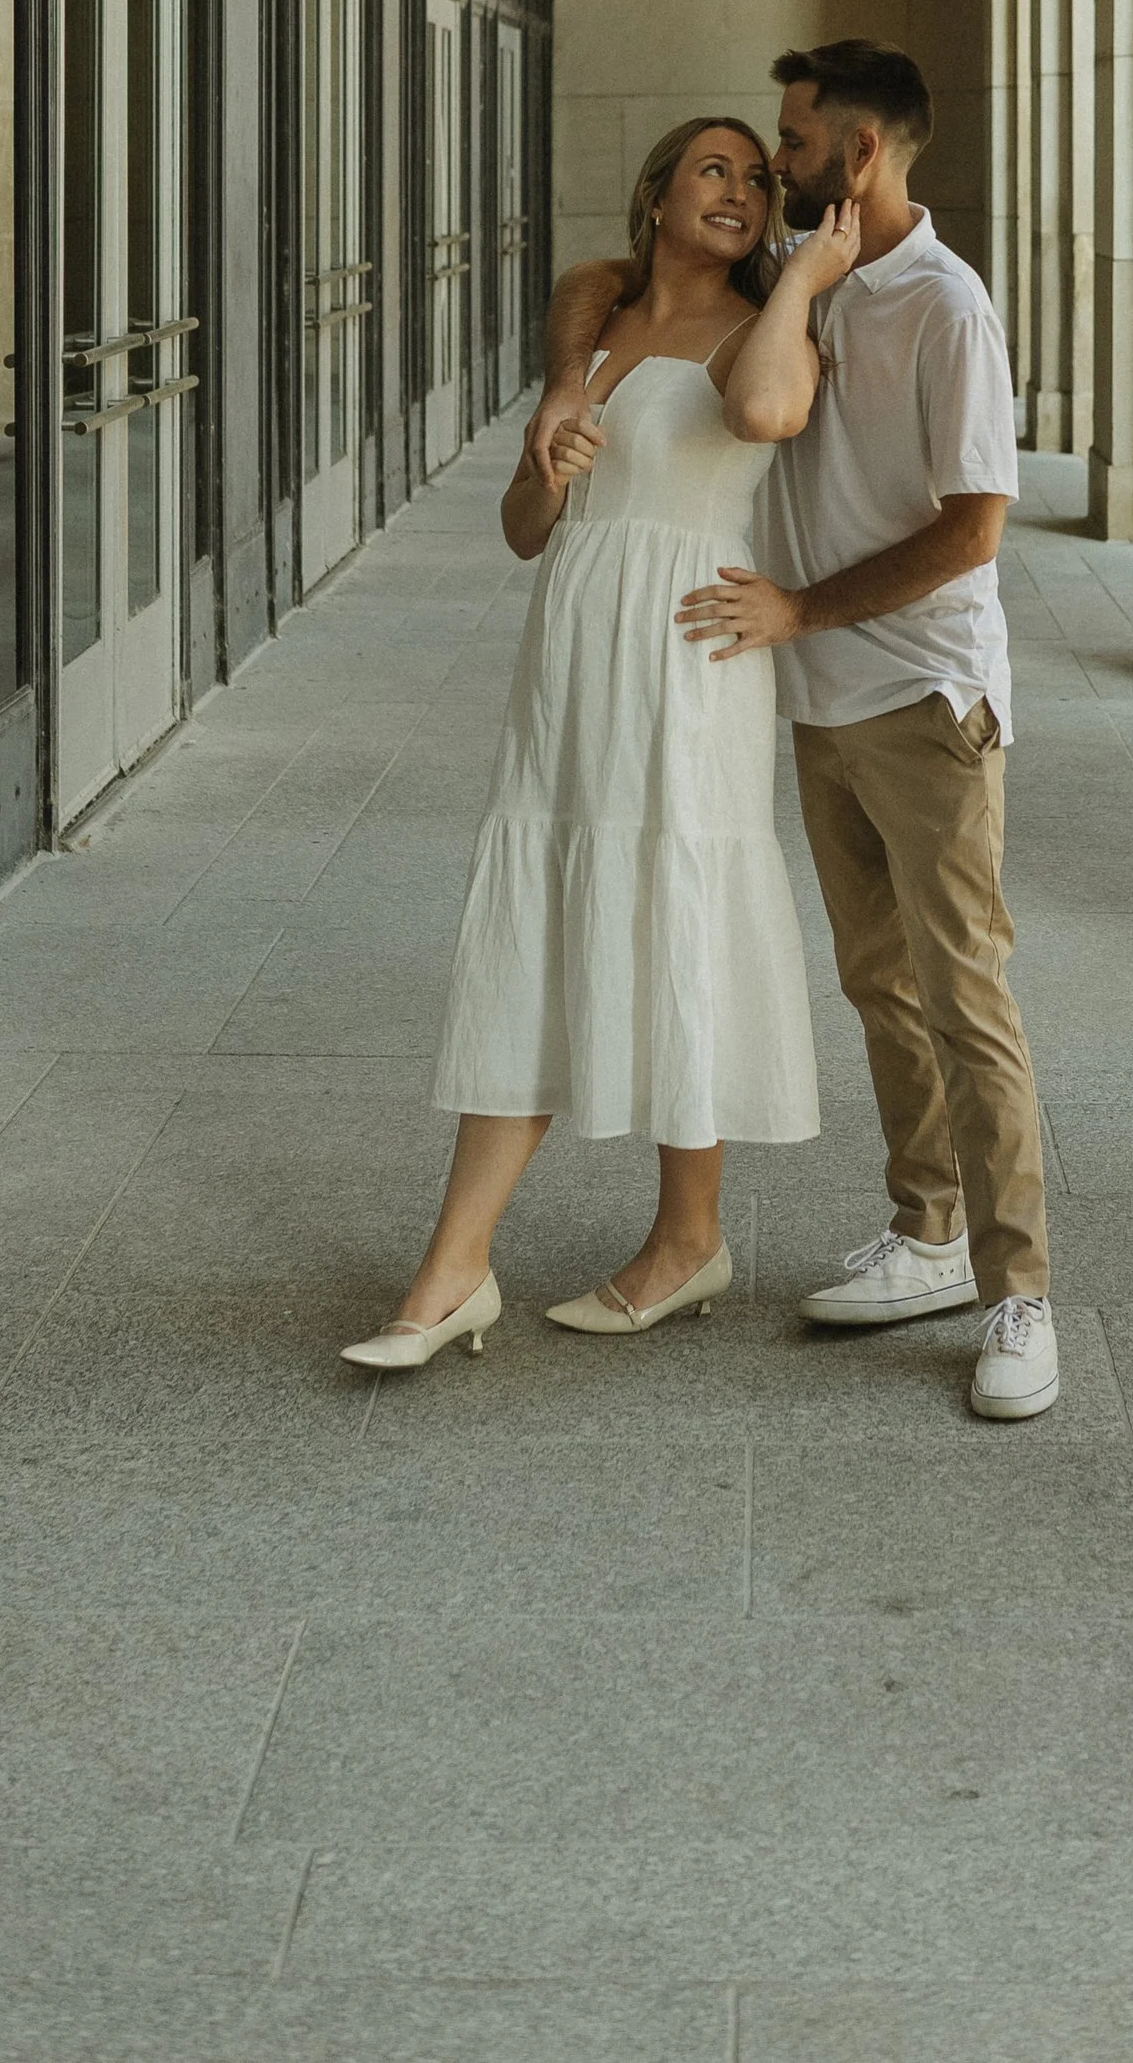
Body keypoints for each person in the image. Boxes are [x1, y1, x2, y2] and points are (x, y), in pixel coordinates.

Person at [529, 42, 1055, 1422]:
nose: (776, 172)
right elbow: (614, 284)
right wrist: (565, 373)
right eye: (761, 155)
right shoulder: (796, 283)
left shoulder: (946, 306)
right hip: (818, 696)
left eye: (795, 149)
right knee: (881, 984)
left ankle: (1021, 1296)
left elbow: (975, 525)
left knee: (967, 992)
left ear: (861, 156)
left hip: (924, 692)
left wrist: (805, 607)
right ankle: (929, 1231)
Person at [342, 117, 853, 1375]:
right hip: (572, 644)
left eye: (757, 175)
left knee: (679, 906)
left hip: (689, 647)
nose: (741, 188)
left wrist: (795, 276)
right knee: (540, 925)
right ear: (657, 193)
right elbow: (527, 530)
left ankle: (687, 1239)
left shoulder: (761, 325)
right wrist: (551, 451)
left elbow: (770, 409)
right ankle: (453, 1272)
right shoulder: (600, 320)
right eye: (713, 170)